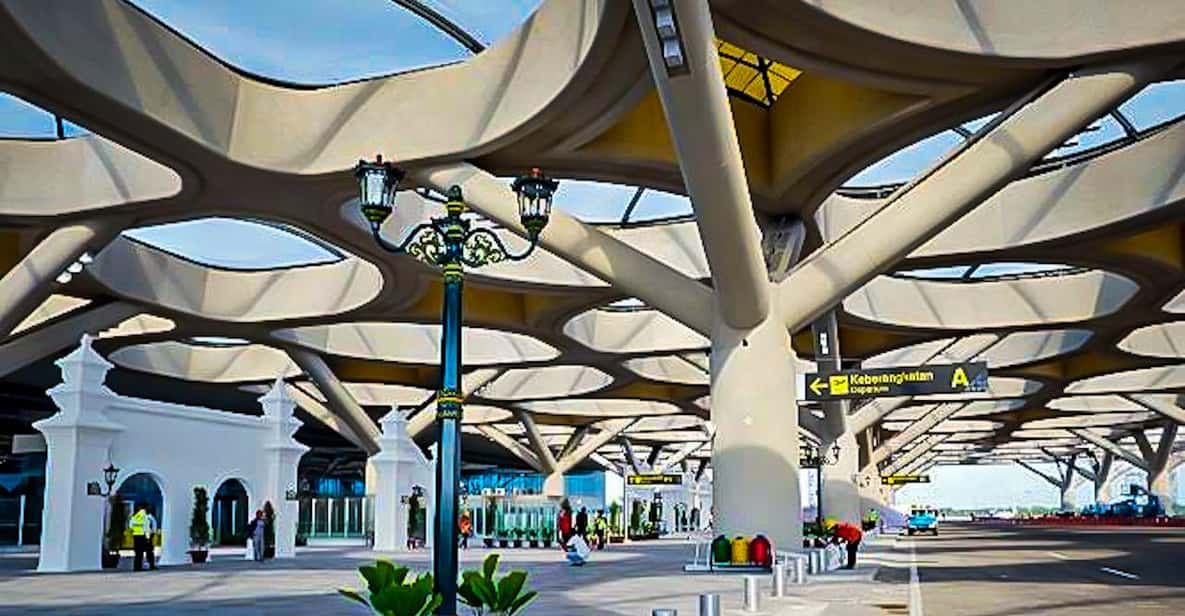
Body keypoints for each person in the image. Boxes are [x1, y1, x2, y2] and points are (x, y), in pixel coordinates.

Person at [129, 502, 157, 571]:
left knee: (138, 552)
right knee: (149, 551)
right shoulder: (147, 517)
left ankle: (137, 567)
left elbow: (130, 526)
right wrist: (148, 538)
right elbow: (147, 528)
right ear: (146, 508)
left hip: (136, 536)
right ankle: (151, 565)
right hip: (144, 536)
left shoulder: (135, 516)